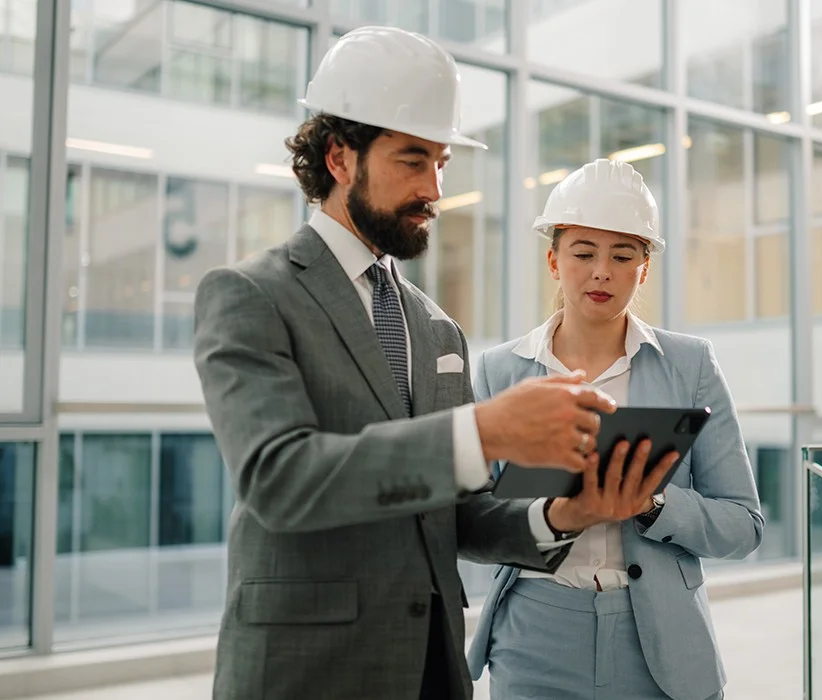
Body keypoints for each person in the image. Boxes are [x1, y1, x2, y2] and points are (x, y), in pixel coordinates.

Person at [193, 27, 625, 700]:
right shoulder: (251, 295)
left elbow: (454, 515)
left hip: (430, 672)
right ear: (339, 158)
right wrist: (485, 431)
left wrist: (565, 515)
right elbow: (279, 479)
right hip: (304, 672)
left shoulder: (436, 328)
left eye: (443, 163)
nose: (435, 189)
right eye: (413, 160)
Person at [466, 158, 765, 700]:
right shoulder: (498, 370)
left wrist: (651, 504)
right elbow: (471, 519)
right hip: (535, 632)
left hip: (659, 639)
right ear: (554, 261)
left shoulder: (690, 365)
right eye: (583, 253)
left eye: (622, 255)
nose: (601, 270)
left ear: (643, 269)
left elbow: (744, 524)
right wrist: (557, 514)